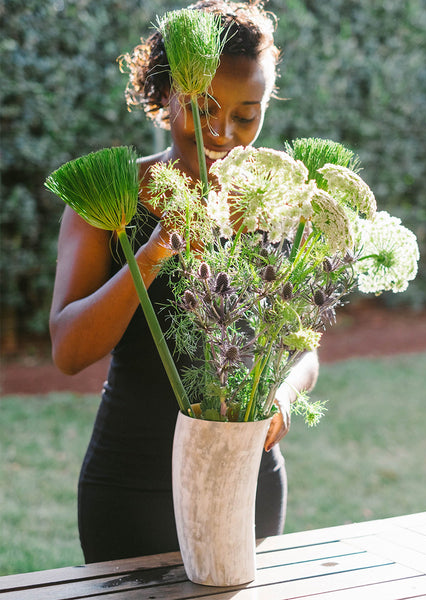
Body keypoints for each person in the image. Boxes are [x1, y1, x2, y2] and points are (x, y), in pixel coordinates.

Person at [50, 0, 319, 563]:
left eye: (247, 114)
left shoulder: (277, 195)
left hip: (248, 477)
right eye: (202, 107)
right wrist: (150, 255)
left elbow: (304, 347)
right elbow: (69, 350)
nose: (221, 132)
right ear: (164, 95)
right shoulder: (110, 199)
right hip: (132, 482)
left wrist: (283, 395)